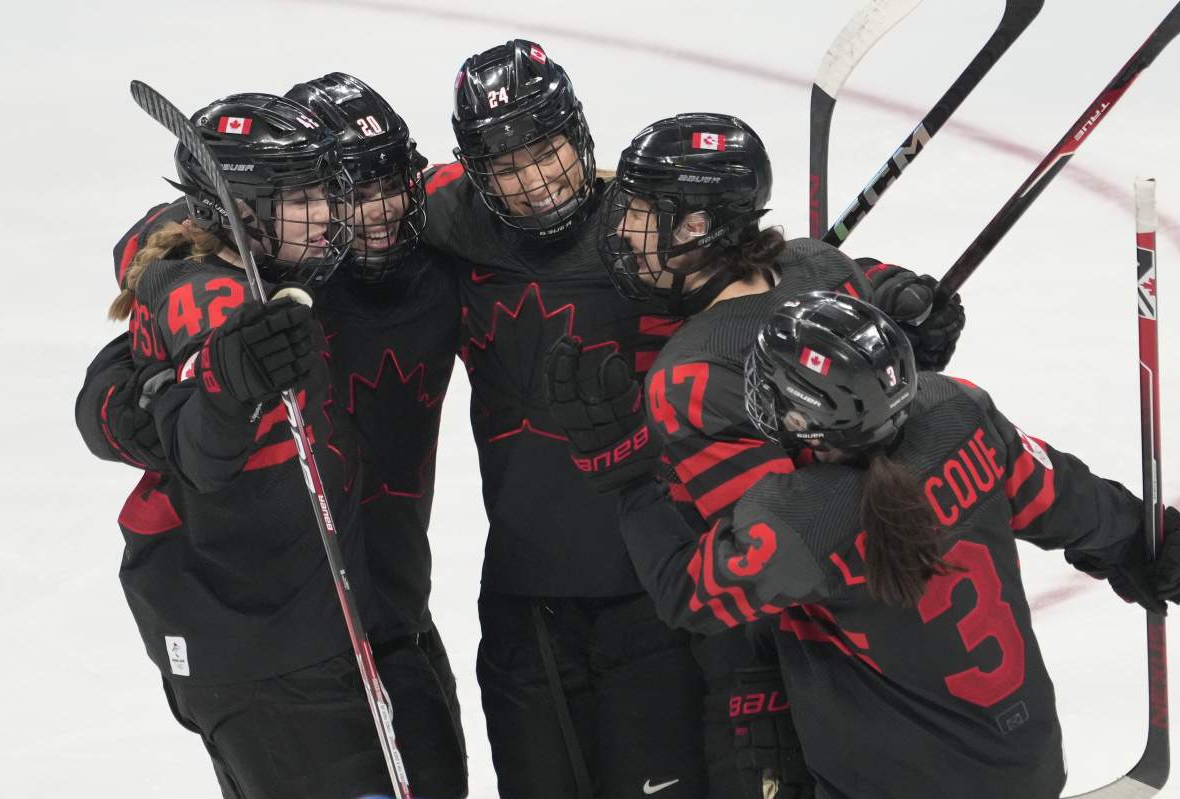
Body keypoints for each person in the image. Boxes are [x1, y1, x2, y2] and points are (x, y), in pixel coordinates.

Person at [619, 291, 1180, 798]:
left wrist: (623, 478)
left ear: (803, 416)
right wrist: (1138, 536)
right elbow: (1063, 497)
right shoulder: (958, 409)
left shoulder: (798, 521)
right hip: (1026, 765)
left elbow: (684, 594)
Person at [545, 112, 966, 797]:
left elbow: (768, 565)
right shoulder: (818, 264)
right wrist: (905, 305)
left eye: (643, 215)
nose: (621, 232)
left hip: (784, 669)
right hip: (909, 649)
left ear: (696, 227)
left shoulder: (689, 376)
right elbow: (859, 287)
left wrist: (626, 477)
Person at [76, 87, 467, 798]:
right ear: (245, 210)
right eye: (313, 194)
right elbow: (191, 433)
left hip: (362, 625)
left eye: (338, 188)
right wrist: (209, 381)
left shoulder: (322, 258)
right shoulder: (217, 292)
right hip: (270, 645)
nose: (346, 211)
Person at [423, 40, 759, 798]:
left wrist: (873, 284)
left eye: (545, 151)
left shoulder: (650, 231)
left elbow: (772, 270)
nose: (534, 181)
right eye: (506, 166)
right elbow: (321, 205)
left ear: (579, 133)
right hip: (523, 612)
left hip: (654, 603)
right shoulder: (452, 225)